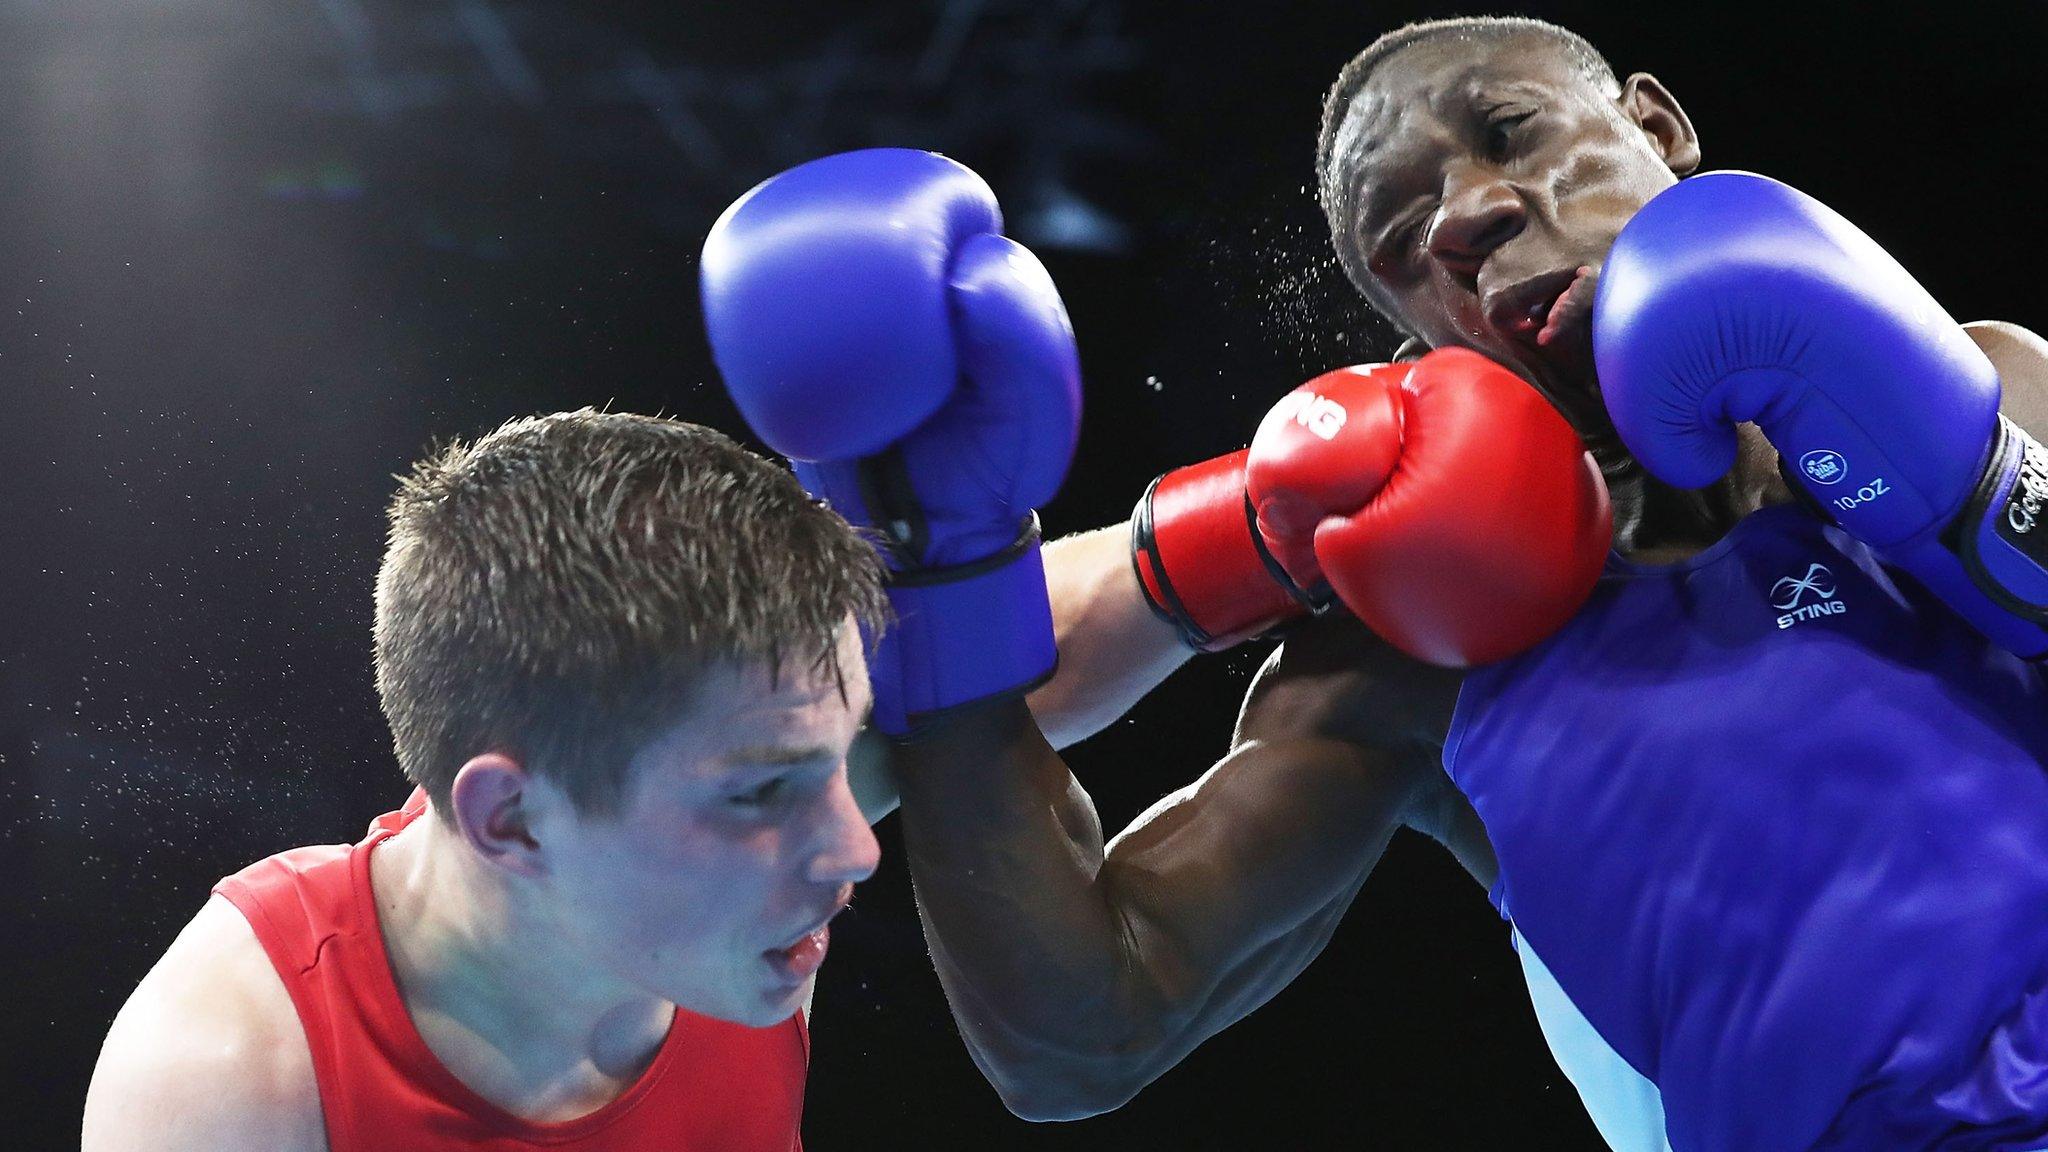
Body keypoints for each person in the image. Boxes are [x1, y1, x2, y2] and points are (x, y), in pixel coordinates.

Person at [703, 16, 2048, 1152]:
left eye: (1512, 132)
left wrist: (1972, 485)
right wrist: (945, 575)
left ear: (1659, 124)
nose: (1469, 214)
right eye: (1404, 236)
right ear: (1404, 325)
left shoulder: (1989, 378)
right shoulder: (1421, 651)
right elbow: (1087, 1031)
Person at [80, 411, 891, 1151]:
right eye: (761, 794)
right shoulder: (228, 1083)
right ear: (513, 821)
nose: (856, 849)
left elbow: (1014, 663)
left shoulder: (743, 797)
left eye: (843, 749)